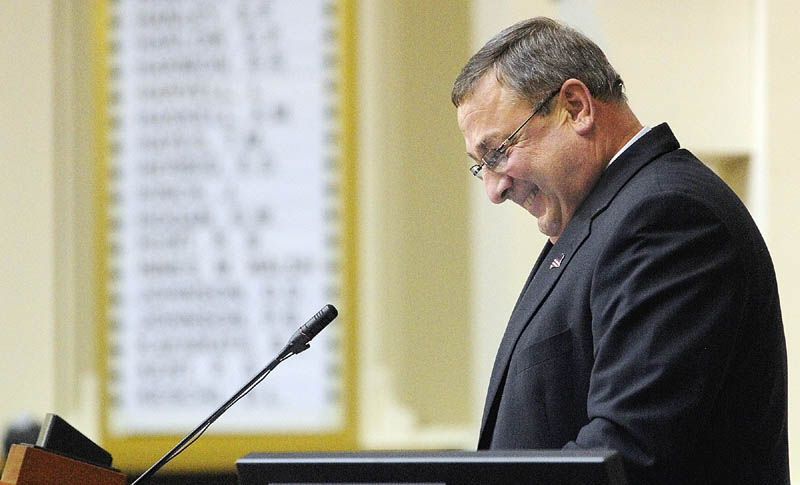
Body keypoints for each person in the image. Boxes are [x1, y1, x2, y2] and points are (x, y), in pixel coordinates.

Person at [452, 17, 788, 484]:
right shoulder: (609, 217)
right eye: (481, 166)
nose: (494, 188)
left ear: (575, 107)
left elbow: (627, 450)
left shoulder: (668, 218)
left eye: (499, 152)